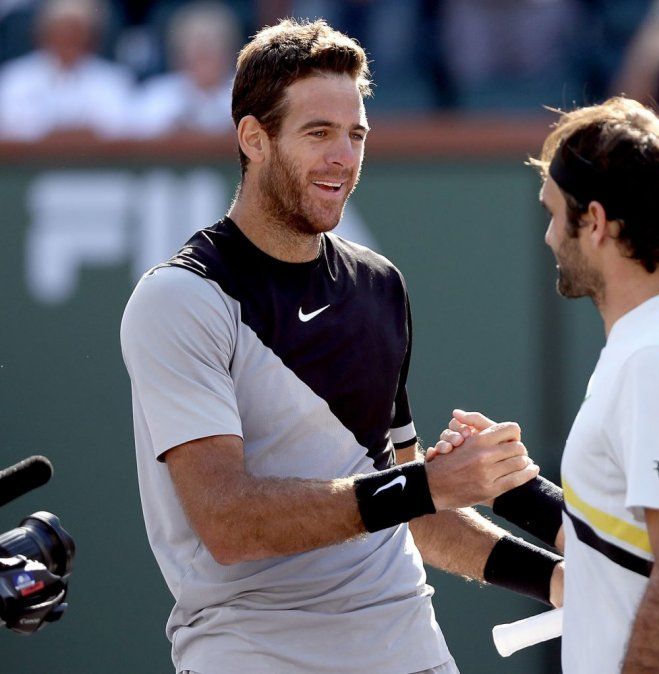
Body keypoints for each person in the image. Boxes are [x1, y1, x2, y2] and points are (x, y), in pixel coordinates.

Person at [120, 19, 563, 674]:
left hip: (406, 641)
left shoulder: (379, 285)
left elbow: (414, 513)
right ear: (254, 139)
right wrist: (424, 486)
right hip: (251, 652)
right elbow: (229, 524)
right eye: (318, 133)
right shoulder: (179, 301)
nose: (344, 156)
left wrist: (554, 580)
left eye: (355, 134)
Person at [432, 97, 659, 673]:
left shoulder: (658, 361)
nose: (548, 237)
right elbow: (632, 549)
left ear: (594, 221)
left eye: (553, 213)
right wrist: (513, 490)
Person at [0, 0, 133, 140]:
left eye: (76, 30)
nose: (69, 37)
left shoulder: (114, 79)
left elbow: (121, 127)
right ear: (44, 33)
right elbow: (10, 126)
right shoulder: (15, 77)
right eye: (62, 30)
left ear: (91, 36)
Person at [129, 1, 239, 138]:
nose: (204, 56)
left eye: (211, 51)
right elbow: (135, 138)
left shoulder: (248, 93)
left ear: (229, 53)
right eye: (197, 51)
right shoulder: (156, 95)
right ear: (178, 55)